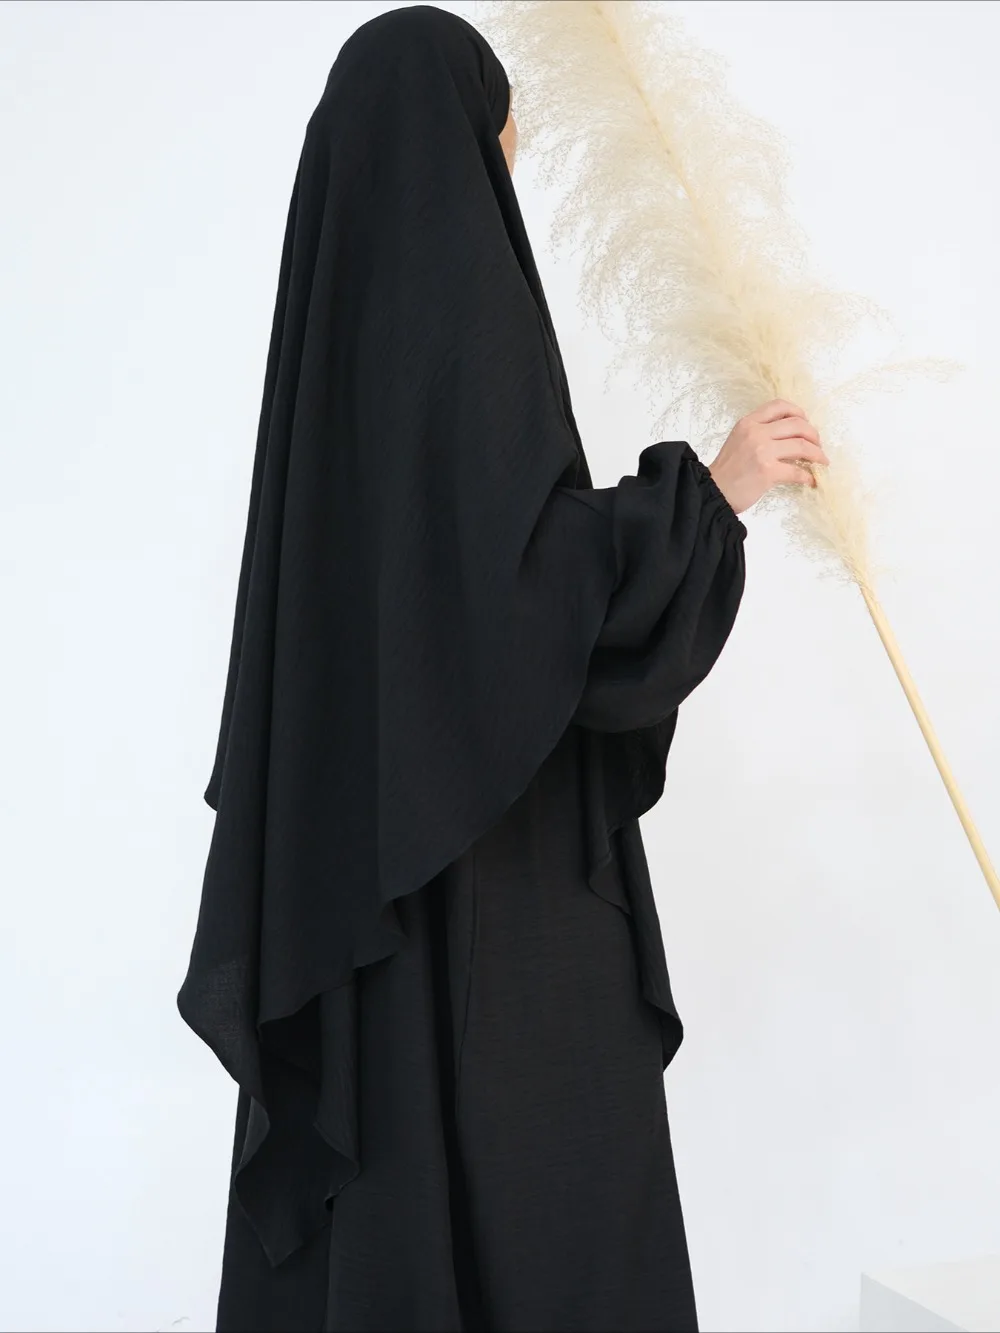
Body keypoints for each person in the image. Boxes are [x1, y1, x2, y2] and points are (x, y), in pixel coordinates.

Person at [177, 7, 828, 1331]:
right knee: (550, 1217)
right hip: (495, 873)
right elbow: (520, 587)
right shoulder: (460, 296)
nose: (516, 149)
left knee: (405, 1202)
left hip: (369, 882)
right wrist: (711, 492)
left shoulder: (332, 348)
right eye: (503, 121)